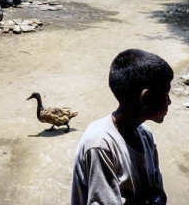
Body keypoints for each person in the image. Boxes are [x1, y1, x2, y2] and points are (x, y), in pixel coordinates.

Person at [71, 49, 173, 205]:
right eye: (166, 94)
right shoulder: (100, 145)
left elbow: (158, 193)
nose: (169, 101)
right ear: (146, 98)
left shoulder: (145, 135)